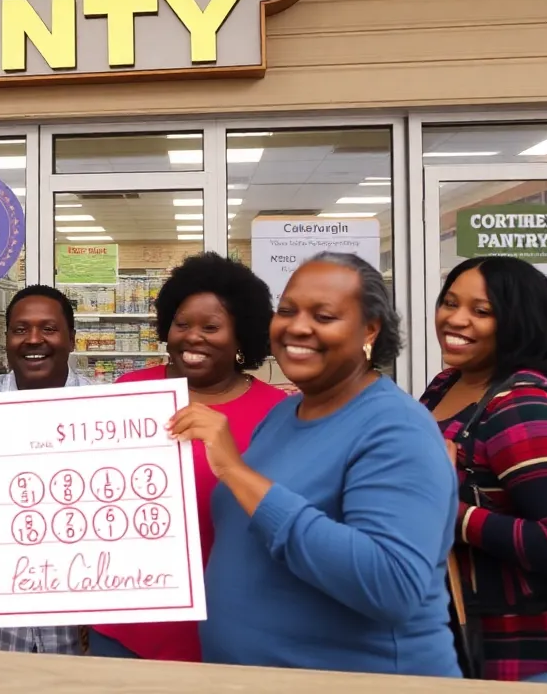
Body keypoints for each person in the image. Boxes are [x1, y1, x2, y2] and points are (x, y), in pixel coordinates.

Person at [171, 252, 461, 677]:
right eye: (288, 311)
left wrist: (235, 471)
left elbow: (392, 585)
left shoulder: (397, 428)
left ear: (370, 330)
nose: (298, 327)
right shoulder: (284, 415)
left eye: (323, 316)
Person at [87, 252, 287, 663]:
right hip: (128, 623)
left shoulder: (276, 413)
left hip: (230, 624)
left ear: (241, 336)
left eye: (211, 327)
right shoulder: (129, 391)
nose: (193, 337)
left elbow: (285, 517)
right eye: (182, 324)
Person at [420, 256, 547, 685]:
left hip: (537, 659)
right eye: (449, 302)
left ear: (517, 321)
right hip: (464, 643)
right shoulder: (446, 386)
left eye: (481, 311)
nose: (455, 319)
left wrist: (452, 513)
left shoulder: (524, 405)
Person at [0, 284, 92, 656]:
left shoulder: (107, 410)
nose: (33, 339)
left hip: (79, 628)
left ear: (71, 339)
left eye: (49, 328)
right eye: (20, 329)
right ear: (7, 339)